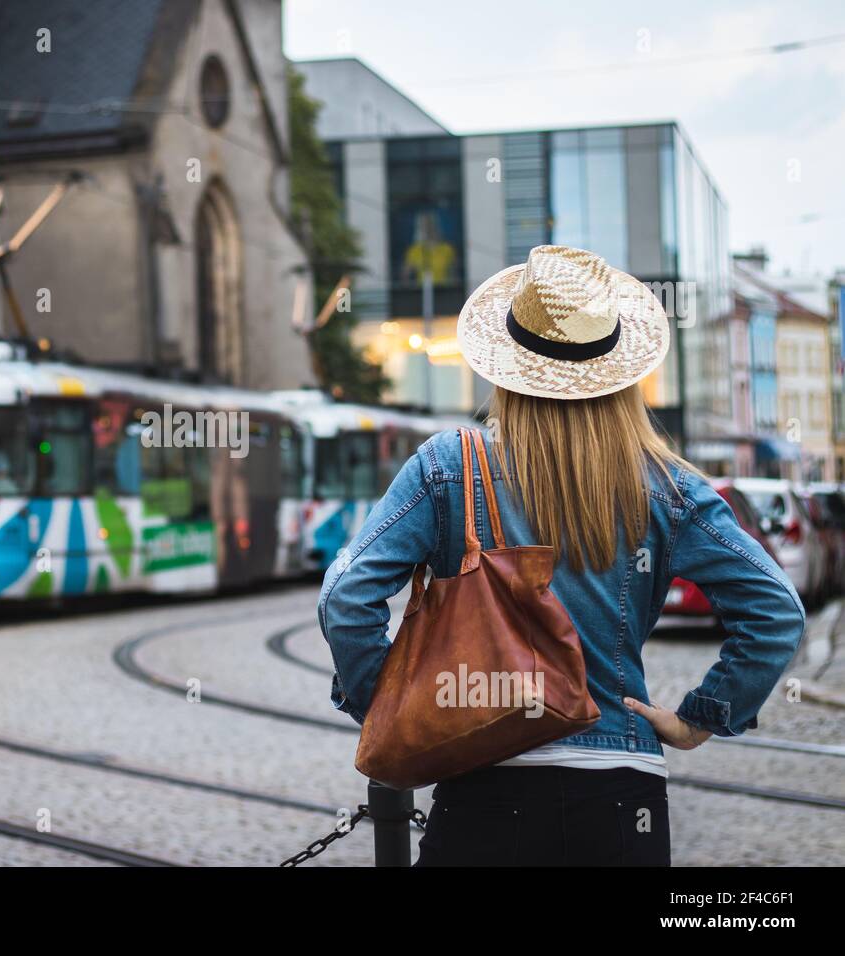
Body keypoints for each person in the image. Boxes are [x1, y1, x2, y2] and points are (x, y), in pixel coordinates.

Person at [318, 245, 805, 866]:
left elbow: (345, 598)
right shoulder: (669, 486)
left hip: (485, 781)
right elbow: (777, 611)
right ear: (620, 373)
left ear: (506, 366)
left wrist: (389, 707)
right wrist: (702, 717)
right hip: (621, 793)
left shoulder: (447, 467)